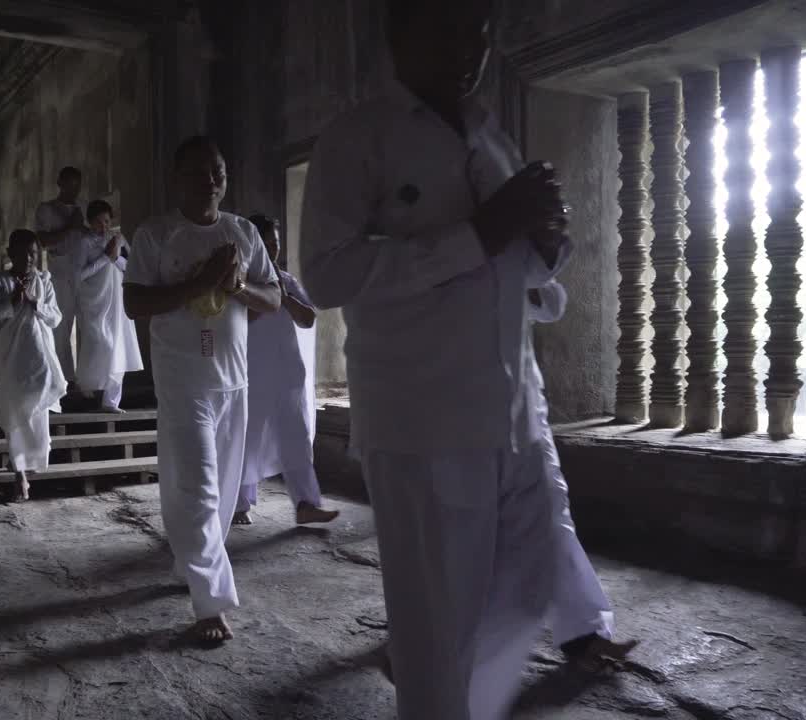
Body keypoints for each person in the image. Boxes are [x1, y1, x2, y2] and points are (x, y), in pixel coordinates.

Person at [299, 0, 573, 717]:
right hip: (424, 421)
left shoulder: (489, 134)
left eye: (479, 34)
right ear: (399, 37)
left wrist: (543, 245)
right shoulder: (359, 139)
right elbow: (326, 274)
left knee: (531, 584)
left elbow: (516, 268)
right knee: (437, 631)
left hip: (514, 414)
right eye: (448, 30)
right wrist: (478, 233)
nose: (468, 49)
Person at [123, 136, 282, 644]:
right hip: (183, 381)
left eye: (218, 172)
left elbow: (273, 298)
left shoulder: (242, 233)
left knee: (221, 492)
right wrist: (200, 283)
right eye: (199, 173)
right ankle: (210, 602)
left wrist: (234, 286)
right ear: (177, 178)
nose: (211, 181)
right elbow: (134, 304)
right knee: (198, 485)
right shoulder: (155, 235)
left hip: (233, 379)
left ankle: (190, 563)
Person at [528, 282, 639, 671]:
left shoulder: (513, 240)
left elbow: (551, 302)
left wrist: (523, 271)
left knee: (551, 509)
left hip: (517, 406)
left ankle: (584, 635)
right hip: (447, 408)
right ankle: (428, 634)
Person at [233, 214, 340, 527]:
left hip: (289, 373)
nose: (271, 250)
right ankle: (238, 503)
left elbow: (307, 318)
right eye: (264, 244)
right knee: (247, 439)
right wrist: (265, 294)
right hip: (252, 374)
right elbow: (243, 321)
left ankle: (306, 504)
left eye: (274, 244)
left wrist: (283, 293)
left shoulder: (287, 280)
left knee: (297, 439)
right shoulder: (239, 281)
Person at [0, 229, 67, 502]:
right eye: (24, 252)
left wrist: (35, 302)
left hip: (38, 356)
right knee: (14, 412)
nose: (29, 258)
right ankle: (19, 474)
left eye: (34, 253)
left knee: (37, 410)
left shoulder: (44, 281)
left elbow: (56, 318)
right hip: (10, 357)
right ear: (11, 253)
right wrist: (11, 303)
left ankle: (28, 460)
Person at [75, 200, 144, 412]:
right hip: (95, 300)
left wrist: (114, 258)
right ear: (89, 222)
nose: (103, 226)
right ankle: (86, 383)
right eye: (98, 222)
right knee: (100, 343)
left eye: (106, 221)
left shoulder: (118, 239)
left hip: (117, 301)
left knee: (119, 348)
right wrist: (106, 258)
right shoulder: (84, 243)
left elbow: (131, 267)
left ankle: (111, 401)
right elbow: (79, 275)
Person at [35, 166, 87, 391]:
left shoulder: (80, 208)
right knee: (61, 328)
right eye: (69, 183)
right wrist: (71, 227)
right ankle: (64, 380)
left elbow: (84, 234)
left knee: (88, 327)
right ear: (59, 183)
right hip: (60, 274)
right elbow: (44, 241)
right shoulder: (46, 209)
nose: (73, 189)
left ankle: (87, 379)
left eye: (77, 185)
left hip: (84, 274)